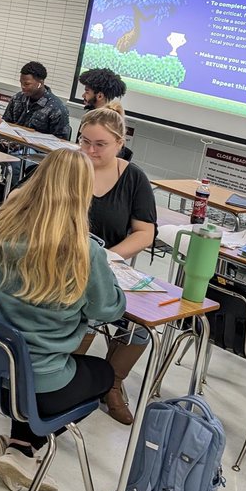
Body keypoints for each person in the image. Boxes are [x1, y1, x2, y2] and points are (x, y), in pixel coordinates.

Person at [0, 148, 125, 491]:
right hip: (35, 382)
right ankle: (25, 449)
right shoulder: (85, 252)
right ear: (83, 193)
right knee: (103, 373)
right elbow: (108, 311)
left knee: (31, 357)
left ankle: (19, 448)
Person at [76, 106, 157, 424]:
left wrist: (108, 257)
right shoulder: (70, 166)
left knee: (142, 324)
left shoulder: (134, 178)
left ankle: (112, 383)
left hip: (110, 264)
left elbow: (145, 232)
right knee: (79, 309)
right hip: (64, 263)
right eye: (85, 142)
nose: (90, 150)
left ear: (119, 144)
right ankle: (67, 370)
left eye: (99, 145)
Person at [2, 61, 72, 138]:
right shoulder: (17, 98)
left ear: (40, 84)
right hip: (10, 144)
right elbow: (5, 124)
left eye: (27, 84)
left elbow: (61, 142)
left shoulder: (57, 109)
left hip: (37, 148)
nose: (22, 87)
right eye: (21, 83)